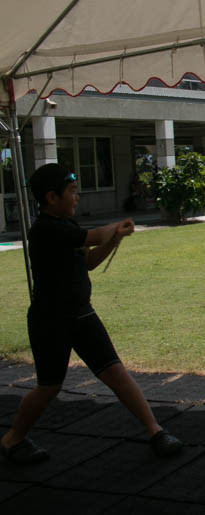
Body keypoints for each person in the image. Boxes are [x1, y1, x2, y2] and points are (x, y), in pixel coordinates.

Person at [0, 163, 182, 464]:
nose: (77, 197)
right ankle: (12, 440)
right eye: (71, 192)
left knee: (116, 373)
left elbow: (90, 261)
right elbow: (93, 237)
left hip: (81, 315)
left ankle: (156, 431)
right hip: (50, 321)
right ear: (51, 197)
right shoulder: (46, 229)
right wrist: (114, 229)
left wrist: (115, 238)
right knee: (49, 387)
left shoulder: (68, 226)